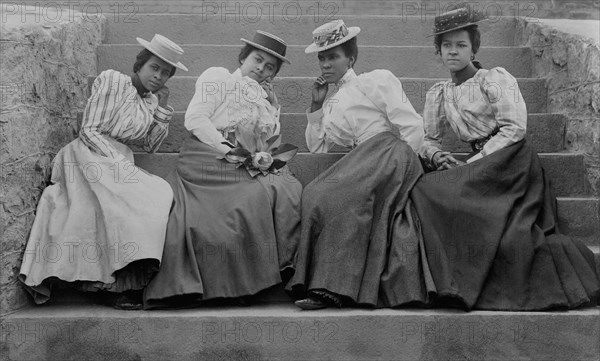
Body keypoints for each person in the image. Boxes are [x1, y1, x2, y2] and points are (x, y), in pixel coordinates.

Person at [412, 7, 599, 310]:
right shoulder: (439, 94)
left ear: (474, 47)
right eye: (446, 45)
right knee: (425, 188)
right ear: (438, 50)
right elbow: (429, 138)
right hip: (481, 161)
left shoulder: (493, 79)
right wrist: (437, 154)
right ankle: (453, 277)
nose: (453, 52)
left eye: (461, 45)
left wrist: (476, 162)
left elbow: (514, 128)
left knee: (501, 223)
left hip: (510, 158)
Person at [19, 34, 187, 309]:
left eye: (165, 73)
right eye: (154, 68)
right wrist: (116, 164)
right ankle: (107, 284)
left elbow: (149, 145)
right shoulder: (114, 81)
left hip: (118, 159)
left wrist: (163, 110)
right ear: (140, 64)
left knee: (159, 193)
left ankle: (122, 279)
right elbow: (89, 129)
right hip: (88, 152)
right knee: (120, 201)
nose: (158, 76)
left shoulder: (150, 102)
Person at [143, 31, 302, 309]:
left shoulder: (264, 99)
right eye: (257, 59)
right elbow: (195, 119)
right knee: (248, 199)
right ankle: (234, 282)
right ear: (244, 57)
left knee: (288, 186)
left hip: (243, 159)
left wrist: (274, 109)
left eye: (269, 68)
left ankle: (284, 267)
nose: (260, 69)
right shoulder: (219, 78)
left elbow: (268, 138)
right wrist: (227, 149)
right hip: (208, 154)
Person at [288, 20, 429, 310]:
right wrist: (316, 107)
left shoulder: (374, 80)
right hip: (360, 158)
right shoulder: (331, 103)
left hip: (388, 152)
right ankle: (323, 281)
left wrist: (411, 167)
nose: (326, 64)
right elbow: (318, 146)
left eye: (333, 57)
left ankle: (332, 288)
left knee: (343, 197)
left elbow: (411, 123)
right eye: (322, 58)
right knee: (316, 194)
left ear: (350, 58)